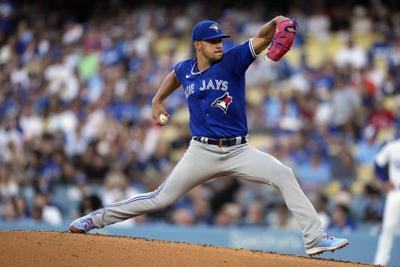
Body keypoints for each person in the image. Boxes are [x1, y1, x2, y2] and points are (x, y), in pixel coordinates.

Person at [69, 17, 349, 256]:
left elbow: (263, 37)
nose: (219, 44)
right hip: (201, 152)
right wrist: (157, 100)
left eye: (220, 40)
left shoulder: (233, 61)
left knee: (283, 173)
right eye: (213, 41)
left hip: (240, 150)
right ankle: (96, 218)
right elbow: (174, 76)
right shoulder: (185, 69)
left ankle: (314, 239)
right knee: (160, 198)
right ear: (198, 45)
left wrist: (277, 21)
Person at [373, 136, 400, 265]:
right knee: (388, 227)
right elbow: (378, 163)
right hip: (396, 191)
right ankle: (381, 262)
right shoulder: (393, 146)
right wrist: (385, 180)